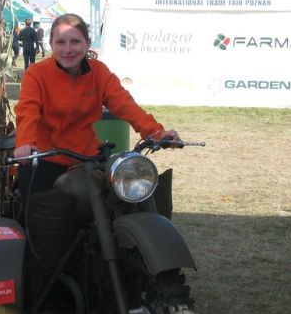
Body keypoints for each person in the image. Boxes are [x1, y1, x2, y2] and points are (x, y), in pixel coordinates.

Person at [13, 13, 181, 204]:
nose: (68, 49)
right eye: (60, 42)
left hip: (88, 158)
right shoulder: (37, 74)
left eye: (75, 42)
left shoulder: (98, 72)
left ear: (87, 43)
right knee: (42, 218)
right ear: (51, 44)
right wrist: (25, 143)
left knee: (127, 198)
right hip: (45, 158)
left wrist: (156, 133)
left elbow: (125, 104)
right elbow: (28, 110)